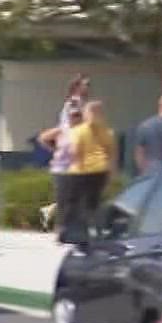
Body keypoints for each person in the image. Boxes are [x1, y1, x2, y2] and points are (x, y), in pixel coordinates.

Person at [66, 100, 116, 237]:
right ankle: (98, 231)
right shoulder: (107, 131)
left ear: (86, 114)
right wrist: (111, 174)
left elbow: (75, 152)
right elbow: (111, 154)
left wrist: (76, 168)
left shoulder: (78, 131)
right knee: (95, 202)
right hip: (100, 170)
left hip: (82, 171)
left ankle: (79, 233)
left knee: (79, 204)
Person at [39, 100, 83, 238]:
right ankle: (61, 231)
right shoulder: (63, 129)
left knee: (74, 199)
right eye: (73, 115)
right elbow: (43, 138)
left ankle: (50, 212)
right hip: (60, 170)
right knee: (65, 200)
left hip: (76, 170)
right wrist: (54, 149)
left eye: (78, 115)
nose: (75, 118)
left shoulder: (83, 131)